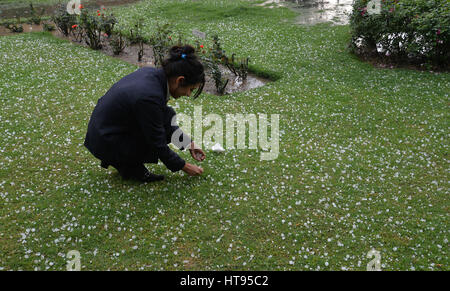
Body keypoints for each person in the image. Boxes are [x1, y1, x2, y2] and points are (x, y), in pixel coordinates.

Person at [84, 45, 206, 182]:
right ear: (180, 80)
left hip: (105, 131)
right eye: (190, 89)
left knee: (167, 116)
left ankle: (128, 165)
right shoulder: (148, 96)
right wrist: (184, 166)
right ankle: (127, 165)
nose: (188, 94)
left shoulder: (153, 76)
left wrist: (189, 144)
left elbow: (164, 120)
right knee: (156, 134)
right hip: (106, 139)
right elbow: (157, 140)